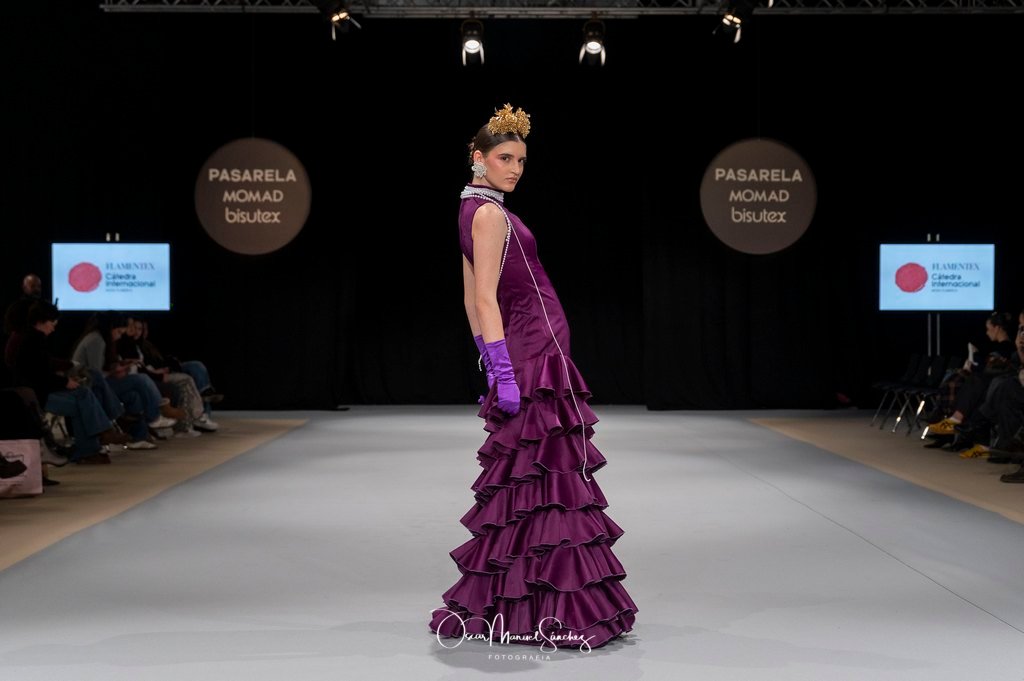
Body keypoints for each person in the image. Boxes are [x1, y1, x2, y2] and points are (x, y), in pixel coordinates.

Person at [428, 104, 637, 652]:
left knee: (527, 478)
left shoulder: (471, 209)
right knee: (552, 479)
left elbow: (471, 297)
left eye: (521, 160)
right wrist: (502, 370)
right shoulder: (490, 215)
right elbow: (482, 298)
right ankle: (560, 607)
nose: (516, 169)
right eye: (505, 158)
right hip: (534, 350)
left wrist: (490, 358)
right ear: (478, 157)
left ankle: (517, 603)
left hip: (529, 348)